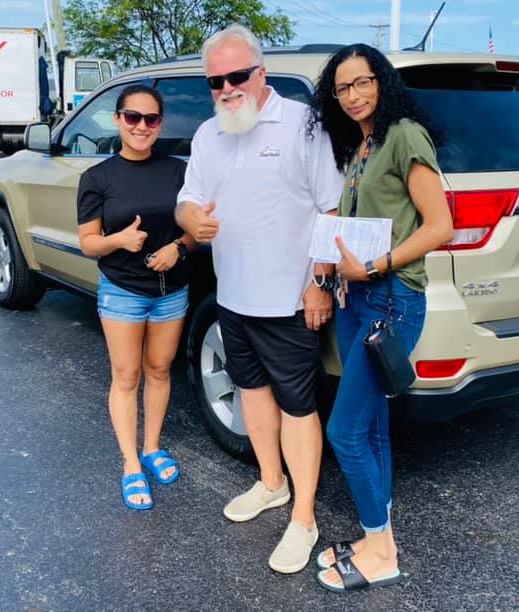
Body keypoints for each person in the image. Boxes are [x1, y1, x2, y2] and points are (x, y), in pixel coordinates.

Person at [176, 24, 343, 574]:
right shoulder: (209, 134)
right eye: (215, 81)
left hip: (290, 300)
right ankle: (271, 483)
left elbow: (331, 208)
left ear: (261, 72)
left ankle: (304, 517)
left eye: (237, 76)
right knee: (251, 393)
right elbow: (187, 199)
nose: (227, 88)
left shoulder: (302, 124)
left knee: (299, 408)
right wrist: (189, 217)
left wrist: (320, 282)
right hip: (232, 294)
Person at [307, 44, 453, 592]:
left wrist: (373, 266)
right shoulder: (362, 143)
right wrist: (337, 270)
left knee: (344, 432)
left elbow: (439, 225)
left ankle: (382, 553)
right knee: (370, 425)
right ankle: (377, 537)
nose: (353, 96)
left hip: (391, 300)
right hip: (358, 298)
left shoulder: (405, 135)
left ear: (382, 82)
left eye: (362, 82)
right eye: (342, 88)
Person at [76, 85, 194, 511]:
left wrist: (177, 248)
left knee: (159, 370)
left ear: (160, 124)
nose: (142, 126)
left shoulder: (178, 172)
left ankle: (152, 447)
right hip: (122, 290)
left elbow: (195, 230)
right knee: (126, 378)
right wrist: (119, 240)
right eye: (132, 117)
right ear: (118, 120)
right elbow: (88, 243)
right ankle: (130, 464)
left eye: (151, 119)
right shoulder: (98, 178)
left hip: (171, 291)